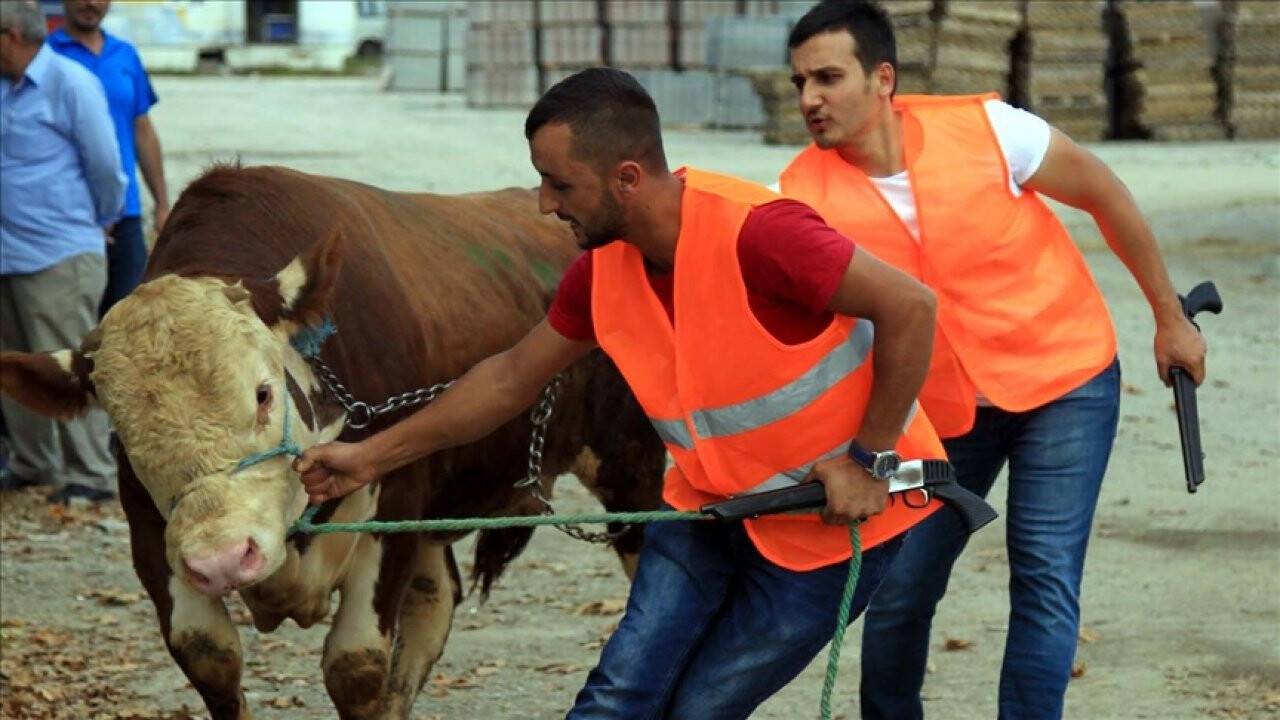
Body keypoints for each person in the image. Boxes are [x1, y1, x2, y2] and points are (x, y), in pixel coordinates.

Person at [295, 67, 949, 718]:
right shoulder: (601, 271)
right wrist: (367, 459)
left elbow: (911, 307)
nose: (545, 203)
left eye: (560, 184)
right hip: (707, 509)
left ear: (627, 180)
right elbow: (507, 379)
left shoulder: (763, 233)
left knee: (699, 709)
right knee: (617, 698)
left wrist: (870, 462)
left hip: (833, 525)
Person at [776, 2, 1209, 718]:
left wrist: (1169, 317)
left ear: (882, 78)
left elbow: (1104, 193)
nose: (809, 99)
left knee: (1042, 575)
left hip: (1063, 382)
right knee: (902, 589)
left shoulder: (991, 129)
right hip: (936, 416)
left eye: (827, 77)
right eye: (798, 83)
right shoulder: (799, 198)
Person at [0, 0, 127, 503]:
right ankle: (33, 463)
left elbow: (105, 167)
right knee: (15, 365)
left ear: (10, 35)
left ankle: (92, 473)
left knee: (70, 365)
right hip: (7, 254)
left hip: (58, 254)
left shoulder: (70, 83)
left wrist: (98, 221)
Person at [49, 0, 168, 316]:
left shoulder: (125, 54)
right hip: (70, 216)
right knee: (70, 325)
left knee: (127, 320)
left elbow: (142, 129)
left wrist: (162, 203)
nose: (91, 3)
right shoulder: (45, 56)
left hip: (125, 212)